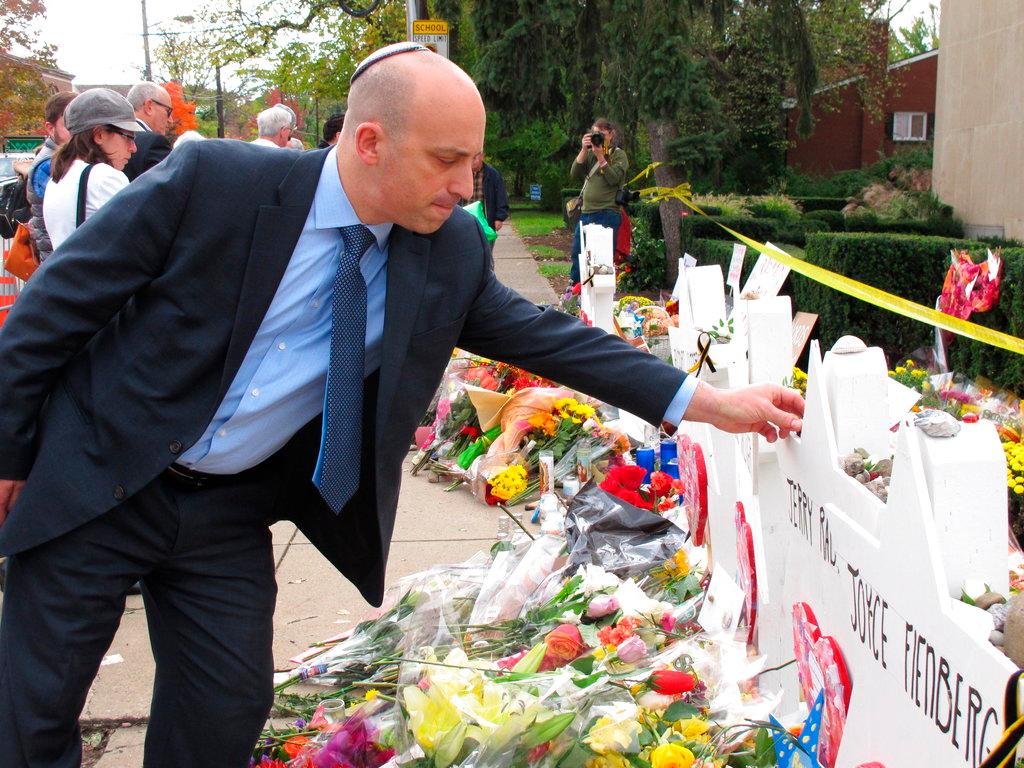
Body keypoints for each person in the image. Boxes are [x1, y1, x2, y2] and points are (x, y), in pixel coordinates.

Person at [0, 43, 802, 768]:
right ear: (369, 142)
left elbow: (548, 337)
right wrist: (10, 453)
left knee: (223, 711)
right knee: (30, 716)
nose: (467, 186)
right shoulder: (218, 182)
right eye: (448, 160)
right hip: (101, 478)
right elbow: (55, 310)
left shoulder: (447, 245)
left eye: (474, 162)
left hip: (224, 517)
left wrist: (711, 403)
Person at [42, 89, 136, 251]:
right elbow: (140, 243)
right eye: (128, 136)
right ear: (99, 135)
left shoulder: (58, 177)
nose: (133, 148)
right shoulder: (104, 177)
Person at [568, 118, 628, 284]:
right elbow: (574, 173)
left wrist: (601, 157)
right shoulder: (590, 154)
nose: (598, 137)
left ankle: (600, 293)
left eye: (602, 134)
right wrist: (583, 149)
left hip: (607, 213)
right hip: (586, 213)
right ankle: (574, 292)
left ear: (611, 135)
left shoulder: (618, 155)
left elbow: (614, 179)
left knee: (601, 259)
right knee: (578, 253)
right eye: (595, 133)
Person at [24, 91, 76, 261]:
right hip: (57, 258)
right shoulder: (49, 163)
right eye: (68, 123)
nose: (76, 130)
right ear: (50, 128)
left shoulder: (60, 157)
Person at [122, 82, 173, 181]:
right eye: (168, 112)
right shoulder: (154, 143)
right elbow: (168, 191)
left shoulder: (110, 137)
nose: (170, 120)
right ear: (149, 106)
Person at [467, 152, 509, 232]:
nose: (471, 161)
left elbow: (501, 197)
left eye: (474, 158)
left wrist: (499, 218)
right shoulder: (462, 173)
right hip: (466, 218)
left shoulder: (493, 174)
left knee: (486, 243)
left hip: (485, 220)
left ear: (482, 156)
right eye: (469, 158)